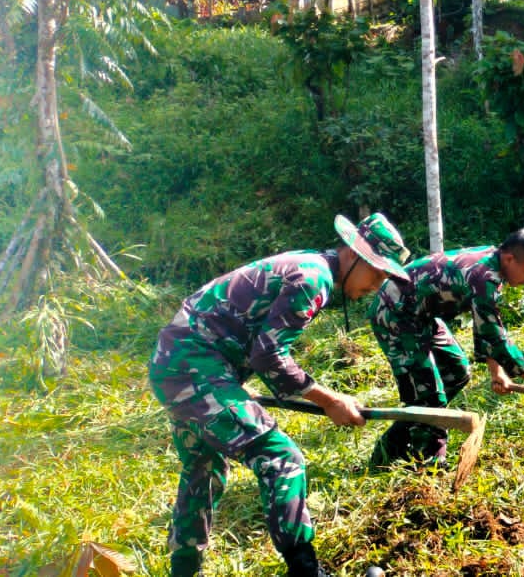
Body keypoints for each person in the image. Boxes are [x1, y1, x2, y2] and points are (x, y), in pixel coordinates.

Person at [148, 213, 411, 577]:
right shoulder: (313, 277)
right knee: (280, 457)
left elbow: (247, 335)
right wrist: (329, 400)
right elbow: (268, 355)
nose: (378, 284)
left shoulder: (307, 264)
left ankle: (184, 570)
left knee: (203, 465)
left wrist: (232, 382)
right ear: (354, 254)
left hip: (179, 361)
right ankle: (305, 571)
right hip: (192, 365)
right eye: (378, 273)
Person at [367, 228, 524, 469]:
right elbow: (494, 337)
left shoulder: (493, 265)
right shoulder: (484, 276)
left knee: (456, 371)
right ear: (509, 259)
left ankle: (396, 441)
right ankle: (428, 466)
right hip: (395, 313)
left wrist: (497, 372)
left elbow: (485, 324)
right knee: (430, 395)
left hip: (422, 315)